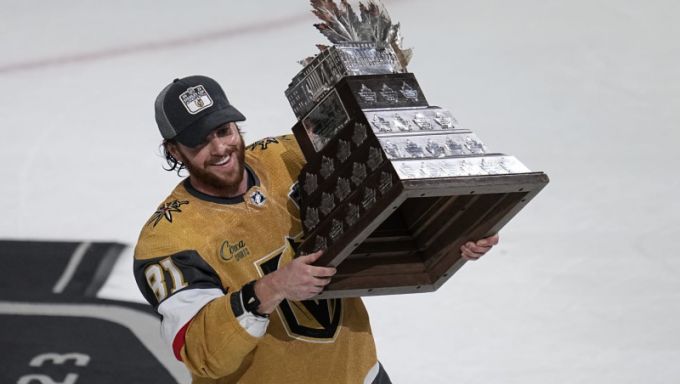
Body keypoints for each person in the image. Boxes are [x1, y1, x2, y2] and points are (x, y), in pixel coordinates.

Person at [133, 75, 499, 384]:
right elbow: (199, 352)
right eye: (199, 142)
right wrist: (271, 288)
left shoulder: (289, 157)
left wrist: (455, 231)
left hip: (359, 374)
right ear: (175, 152)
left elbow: (387, 189)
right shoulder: (166, 240)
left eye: (224, 130)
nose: (220, 148)